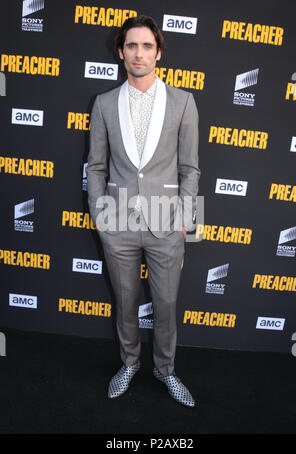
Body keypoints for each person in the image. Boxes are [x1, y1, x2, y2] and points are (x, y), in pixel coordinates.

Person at [86, 15, 200, 407]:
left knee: (166, 304)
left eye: (147, 46)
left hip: (168, 222)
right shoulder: (102, 105)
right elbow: (96, 167)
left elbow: (190, 168)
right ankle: (130, 363)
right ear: (120, 52)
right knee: (125, 301)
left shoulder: (184, 102)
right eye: (132, 45)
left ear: (159, 52)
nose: (139, 53)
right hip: (117, 223)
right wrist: (101, 217)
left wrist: (186, 218)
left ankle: (166, 370)